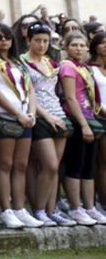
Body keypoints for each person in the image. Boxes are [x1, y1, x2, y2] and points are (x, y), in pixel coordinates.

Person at [0, 23, 43, 229]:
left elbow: (30, 90)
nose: (4, 41)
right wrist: (18, 114)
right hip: (3, 116)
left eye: (7, 37)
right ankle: (5, 210)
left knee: (21, 165)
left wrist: (31, 113)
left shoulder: (18, 61)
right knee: (5, 164)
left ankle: (19, 209)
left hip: (24, 116)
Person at [20, 23, 73, 226]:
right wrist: (47, 117)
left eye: (45, 41)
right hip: (39, 116)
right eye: (38, 40)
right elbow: (28, 93)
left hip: (59, 115)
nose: (42, 45)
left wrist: (57, 116)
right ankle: (39, 210)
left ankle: (51, 210)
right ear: (28, 40)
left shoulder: (51, 63)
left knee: (55, 168)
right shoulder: (22, 63)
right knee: (48, 164)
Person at [60, 33, 106, 225]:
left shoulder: (84, 68)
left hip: (89, 117)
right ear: (67, 48)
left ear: (87, 48)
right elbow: (71, 98)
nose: (78, 48)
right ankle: (75, 207)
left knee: (88, 167)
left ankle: (90, 207)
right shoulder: (67, 66)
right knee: (76, 165)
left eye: (82, 45)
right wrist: (84, 124)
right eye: (74, 45)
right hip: (78, 119)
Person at [89, 32, 106, 213]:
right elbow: (91, 98)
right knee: (103, 162)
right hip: (101, 118)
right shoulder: (90, 69)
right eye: (102, 43)